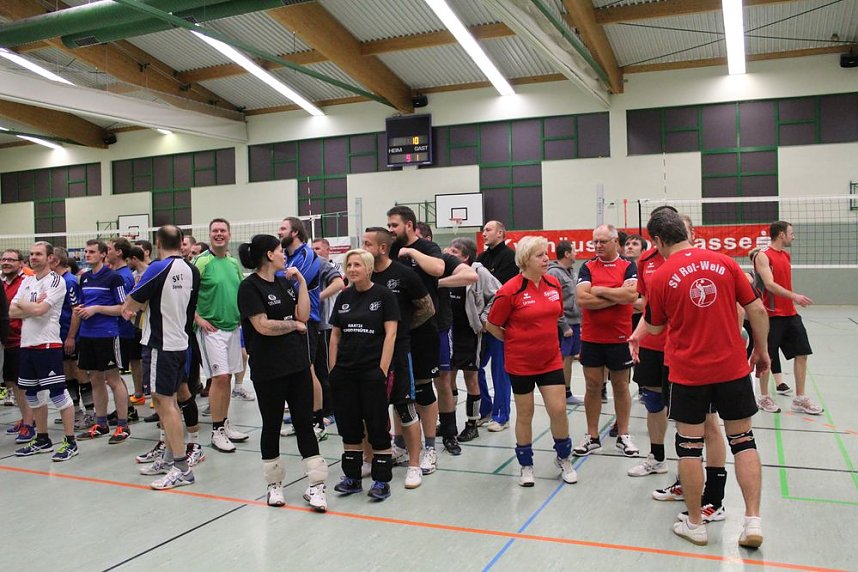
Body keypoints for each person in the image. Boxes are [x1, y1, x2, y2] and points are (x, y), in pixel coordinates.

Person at [645, 208, 769, 548]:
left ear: (657, 240)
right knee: (743, 440)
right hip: (731, 367)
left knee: (689, 447)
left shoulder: (660, 275)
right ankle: (753, 521)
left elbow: (654, 327)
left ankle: (696, 523)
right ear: (685, 232)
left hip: (688, 372)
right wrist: (761, 351)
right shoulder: (726, 263)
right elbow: (757, 309)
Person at [237, 234, 328, 510]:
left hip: (297, 365)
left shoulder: (284, 282)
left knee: (304, 423)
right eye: (280, 251)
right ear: (268, 255)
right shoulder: (249, 288)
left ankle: (316, 486)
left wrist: (301, 282)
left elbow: (303, 314)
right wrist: (293, 327)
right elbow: (263, 326)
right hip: (268, 369)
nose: (284, 255)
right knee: (272, 425)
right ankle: (274, 485)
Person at [486, 236, 577, 487]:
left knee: (558, 410)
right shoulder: (510, 290)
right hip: (521, 363)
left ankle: (563, 458)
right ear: (525, 260)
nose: (546, 258)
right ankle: (526, 464)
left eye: (546, 254)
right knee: (525, 413)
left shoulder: (553, 284)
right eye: (539, 255)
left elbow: (555, 316)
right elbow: (492, 324)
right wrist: (513, 340)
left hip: (550, 359)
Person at [122, 225, 200, 489]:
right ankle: (169, 457)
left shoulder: (157, 268)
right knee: (171, 402)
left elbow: (129, 307)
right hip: (181, 343)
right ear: (181, 242)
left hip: (160, 345)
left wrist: (137, 306)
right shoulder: (192, 270)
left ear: (157, 242)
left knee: (164, 404)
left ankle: (181, 467)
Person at [363, 227, 434, 489]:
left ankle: (414, 464)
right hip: (368, 353)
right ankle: (369, 460)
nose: (363, 247)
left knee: (405, 408)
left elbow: (427, 308)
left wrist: (399, 328)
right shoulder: (363, 276)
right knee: (370, 409)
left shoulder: (404, 275)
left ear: (382, 248)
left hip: (399, 353)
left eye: (367, 244)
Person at [329, 249, 399, 500]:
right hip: (345, 372)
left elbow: (391, 334)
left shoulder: (384, 296)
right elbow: (335, 335)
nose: (353, 269)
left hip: (372, 371)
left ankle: (381, 481)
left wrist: (381, 369)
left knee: (377, 426)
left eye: (358, 264)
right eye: (349, 265)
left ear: (369, 268)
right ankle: (352, 478)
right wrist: (333, 368)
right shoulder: (344, 296)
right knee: (349, 426)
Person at [574, 225, 639, 457]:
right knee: (592, 386)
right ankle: (592, 436)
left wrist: (599, 290)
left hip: (620, 337)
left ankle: (623, 435)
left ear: (615, 242)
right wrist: (615, 295)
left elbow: (631, 295)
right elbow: (582, 299)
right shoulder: (588, 266)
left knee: (620, 386)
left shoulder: (628, 265)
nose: (598, 246)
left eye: (602, 241)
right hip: (592, 337)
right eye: (595, 242)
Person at [387, 205, 444, 474]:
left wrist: (411, 252)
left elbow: (439, 269)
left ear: (409, 225)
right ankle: (400, 444)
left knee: (423, 389)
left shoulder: (425, 248)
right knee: (400, 390)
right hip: (396, 334)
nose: (391, 230)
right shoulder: (390, 252)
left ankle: (430, 447)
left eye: (394, 225)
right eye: (388, 226)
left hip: (423, 330)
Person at [10, 242, 79, 462]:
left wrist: (25, 306)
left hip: (48, 345)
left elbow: (42, 310)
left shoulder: (56, 281)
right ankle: (42, 438)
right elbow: (12, 311)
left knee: (58, 394)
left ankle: (70, 442)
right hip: (27, 344)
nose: (34, 257)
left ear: (50, 258)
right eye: (31, 254)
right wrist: (29, 306)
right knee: (32, 394)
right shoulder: (28, 281)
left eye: (39, 254)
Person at [414, 223, 477, 456]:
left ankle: (450, 433)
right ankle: (412, 438)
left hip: (439, 328)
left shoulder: (441, 261)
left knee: (444, 382)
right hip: (412, 331)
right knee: (414, 385)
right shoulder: (403, 260)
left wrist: (437, 283)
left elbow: (470, 275)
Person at [753, 221, 822, 415]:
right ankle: (764, 397)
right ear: (781, 234)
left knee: (802, 353)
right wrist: (795, 296)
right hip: (771, 315)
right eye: (791, 233)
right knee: (768, 358)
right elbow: (770, 284)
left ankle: (800, 398)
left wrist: (792, 301)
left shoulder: (785, 255)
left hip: (790, 314)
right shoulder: (763, 256)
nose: (794, 236)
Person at [194, 218, 249, 452]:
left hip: (232, 328)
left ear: (228, 234)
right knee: (220, 378)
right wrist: (198, 318)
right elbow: (187, 293)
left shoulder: (234, 263)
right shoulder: (201, 262)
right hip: (211, 329)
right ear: (209, 235)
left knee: (228, 379)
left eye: (222, 231)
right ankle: (216, 431)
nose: (219, 234)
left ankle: (225, 424)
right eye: (215, 231)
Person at [69, 240, 130, 444]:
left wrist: (96, 309)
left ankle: (122, 424)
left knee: (113, 379)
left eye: (92, 251)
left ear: (103, 255)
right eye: (86, 251)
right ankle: (101, 423)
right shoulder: (84, 278)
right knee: (95, 379)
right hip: (87, 335)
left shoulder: (114, 278)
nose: (87, 254)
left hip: (107, 334)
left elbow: (123, 308)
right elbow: (81, 304)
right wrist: (81, 312)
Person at [443, 237, 500, 444]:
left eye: (454, 252)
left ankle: (472, 423)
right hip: (449, 332)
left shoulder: (479, 272)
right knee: (447, 379)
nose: (449, 254)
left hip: (469, 333)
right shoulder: (446, 270)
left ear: (465, 256)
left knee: (471, 378)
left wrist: (484, 317)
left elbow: (499, 294)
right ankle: (448, 421)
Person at [278, 217, 329, 439]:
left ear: (296, 232)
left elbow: (297, 283)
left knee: (309, 371)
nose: (279, 232)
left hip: (307, 320)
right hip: (290, 320)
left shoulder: (308, 255)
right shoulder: (286, 257)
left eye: (283, 228)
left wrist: (278, 274)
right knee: (296, 373)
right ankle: (303, 421)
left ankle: (318, 422)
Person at [476, 220, 516, 432]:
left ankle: (502, 415)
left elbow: (503, 293)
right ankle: (486, 408)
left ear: (500, 233)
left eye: (488, 230)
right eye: (483, 230)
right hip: (480, 325)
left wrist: (492, 320)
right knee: (475, 368)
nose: (484, 234)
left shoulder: (510, 258)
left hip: (500, 325)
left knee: (500, 371)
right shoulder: (480, 259)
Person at [50, 247, 89, 430]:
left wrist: (71, 337)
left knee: (78, 372)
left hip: (71, 335)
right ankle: (75, 412)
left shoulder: (69, 282)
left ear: (55, 261)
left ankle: (90, 413)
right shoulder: (57, 281)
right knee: (67, 373)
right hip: (60, 335)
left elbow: (76, 312)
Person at [3, 249, 35, 442]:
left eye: (11, 260)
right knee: (12, 383)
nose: (6, 262)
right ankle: (26, 419)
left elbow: (22, 310)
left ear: (20, 263)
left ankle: (30, 425)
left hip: (22, 340)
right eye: (4, 259)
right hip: (6, 341)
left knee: (22, 385)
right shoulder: (2, 283)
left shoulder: (26, 282)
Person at [108, 238, 144, 412]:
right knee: (113, 373)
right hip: (119, 330)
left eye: (108, 249)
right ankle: (126, 407)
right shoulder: (119, 273)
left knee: (113, 373)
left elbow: (125, 306)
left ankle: (127, 410)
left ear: (119, 252)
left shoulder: (122, 276)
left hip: (123, 330)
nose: (106, 252)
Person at [547, 240, 583, 406]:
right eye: (574, 251)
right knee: (563, 359)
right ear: (567, 253)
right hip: (564, 324)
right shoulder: (554, 273)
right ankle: (561, 393)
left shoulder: (571, 272)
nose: (576, 254)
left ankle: (566, 391)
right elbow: (554, 302)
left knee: (569, 358)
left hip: (574, 322)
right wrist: (563, 325)